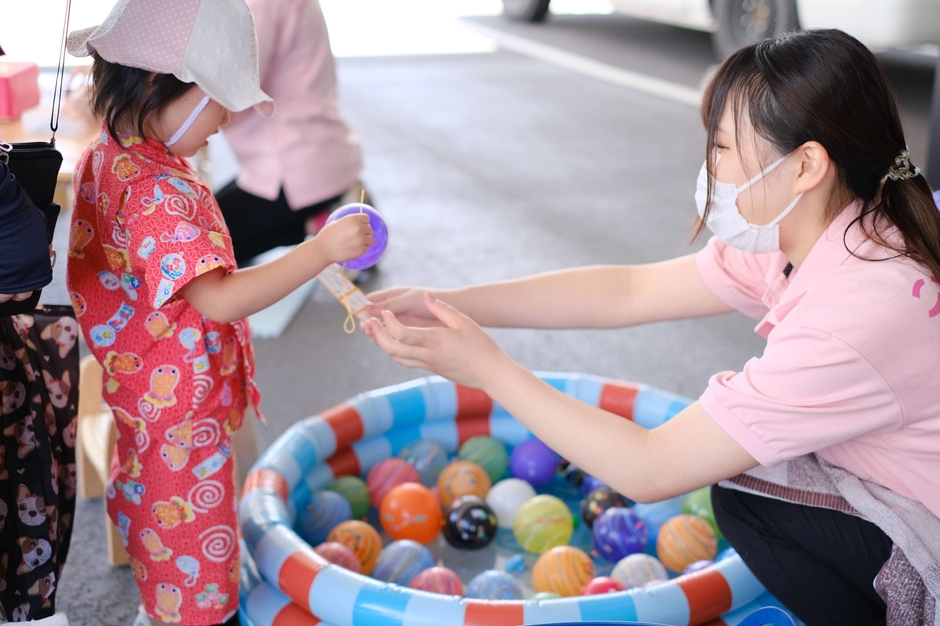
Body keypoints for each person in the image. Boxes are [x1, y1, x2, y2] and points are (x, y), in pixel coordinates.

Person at [364, 29, 940, 625]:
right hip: (901, 474)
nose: (709, 167)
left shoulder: (856, 311)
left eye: (720, 147)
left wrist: (484, 368)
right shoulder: (836, 226)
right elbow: (627, 291)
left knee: (743, 484)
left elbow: (651, 467)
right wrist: (446, 301)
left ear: (807, 165)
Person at [64, 1, 374, 625]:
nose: (229, 116)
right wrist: (318, 251)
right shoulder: (155, 193)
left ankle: (166, 601)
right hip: (182, 413)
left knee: (160, 517)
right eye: (219, 96)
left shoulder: (114, 154)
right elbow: (221, 297)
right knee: (195, 558)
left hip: (150, 395)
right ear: (157, 85)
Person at [217, 0, 366, 266]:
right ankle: (323, 217)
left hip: (291, 173)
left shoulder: (260, 6)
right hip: (315, 158)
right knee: (206, 217)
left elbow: (233, 91)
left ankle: (327, 227)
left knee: (201, 245)